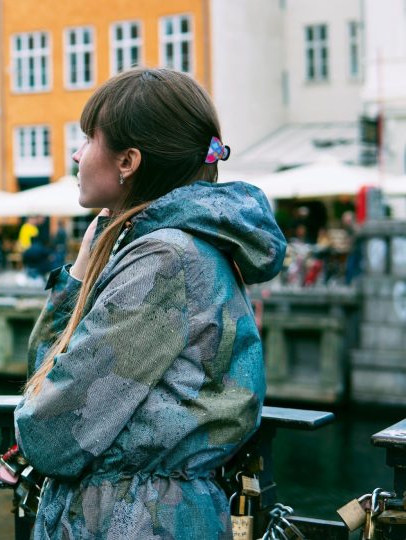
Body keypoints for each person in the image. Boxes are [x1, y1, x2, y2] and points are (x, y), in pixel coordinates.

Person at [14, 68, 286, 539]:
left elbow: (51, 433)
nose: (76, 155)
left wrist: (80, 281)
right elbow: (48, 378)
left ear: (128, 162)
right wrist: (81, 272)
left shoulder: (165, 259)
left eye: (87, 139)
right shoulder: (169, 247)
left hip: (136, 522)